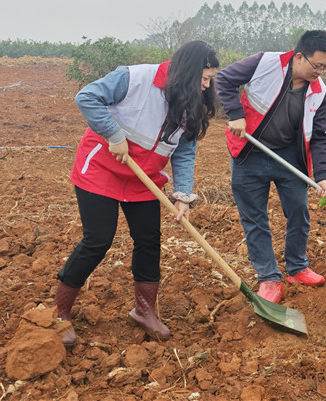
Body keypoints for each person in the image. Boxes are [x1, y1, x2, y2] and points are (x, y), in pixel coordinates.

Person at [55, 41, 219, 346]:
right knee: (98, 239)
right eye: (204, 78)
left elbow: (184, 150)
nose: (207, 85)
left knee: (148, 240)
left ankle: (144, 311)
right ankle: (61, 312)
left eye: (209, 79)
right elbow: (87, 97)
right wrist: (113, 134)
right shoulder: (134, 78)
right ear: (186, 71)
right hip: (101, 169)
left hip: (145, 179)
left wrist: (183, 194)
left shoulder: (189, 100)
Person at [215, 30, 326, 304]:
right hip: (249, 153)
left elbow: (319, 136)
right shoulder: (264, 63)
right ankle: (269, 277)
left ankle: (297, 267)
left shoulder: (320, 92)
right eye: (316, 65)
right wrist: (235, 116)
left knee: (299, 212)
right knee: (254, 218)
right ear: (299, 57)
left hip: (289, 158)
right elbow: (224, 79)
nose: (321, 71)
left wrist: (324, 176)